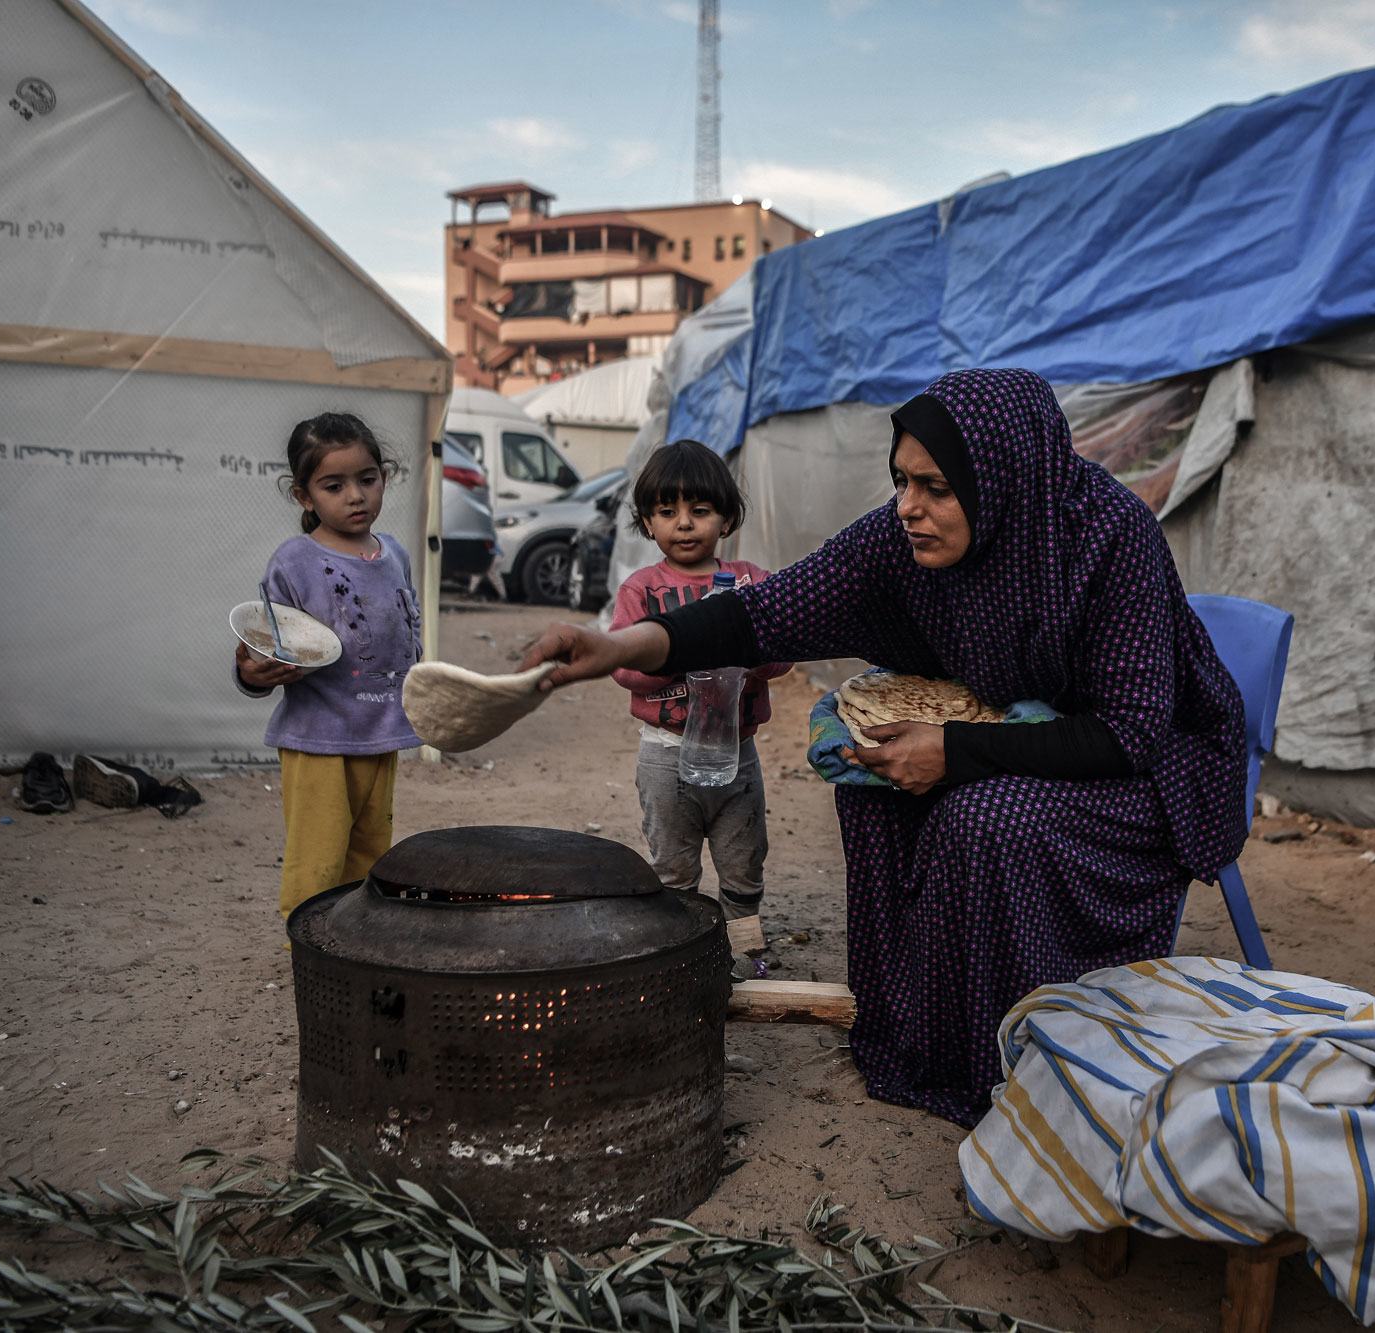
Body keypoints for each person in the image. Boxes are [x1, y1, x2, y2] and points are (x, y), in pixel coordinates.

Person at [523, 368, 1248, 1126]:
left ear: (999, 478)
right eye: (900, 480)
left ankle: (1014, 1062)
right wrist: (616, 645)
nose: (908, 507)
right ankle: (917, 1040)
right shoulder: (896, 544)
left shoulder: (1106, 537)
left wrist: (955, 752)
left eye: (935, 487)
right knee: (874, 788)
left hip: (1145, 769)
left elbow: (1130, 729)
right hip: (1009, 735)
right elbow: (763, 613)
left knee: (983, 818)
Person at [234, 412, 423, 920]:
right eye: (334, 485)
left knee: (369, 851)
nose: (355, 496)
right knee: (317, 858)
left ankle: (353, 938)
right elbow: (263, 644)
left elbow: (407, 634)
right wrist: (252, 673)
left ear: (385, 476)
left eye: (367, 479)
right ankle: (308, 942)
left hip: (381, 731)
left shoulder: (397, 555)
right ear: (304, 495)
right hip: (318, 737)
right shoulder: (293, 562)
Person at [611, 441, 790, 962]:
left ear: (728, 519)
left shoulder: (750, 583)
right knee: (673, 870)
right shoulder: (642, 591)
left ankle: (743, 957)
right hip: (666, 756)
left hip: (738, 757)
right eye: (667, 512)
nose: (684, 524)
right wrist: (681, 652)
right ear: (647, 522)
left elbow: (785, 651)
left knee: (743, 865)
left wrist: (745, 659)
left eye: (700, 510)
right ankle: (682, 960)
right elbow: (624, 668)